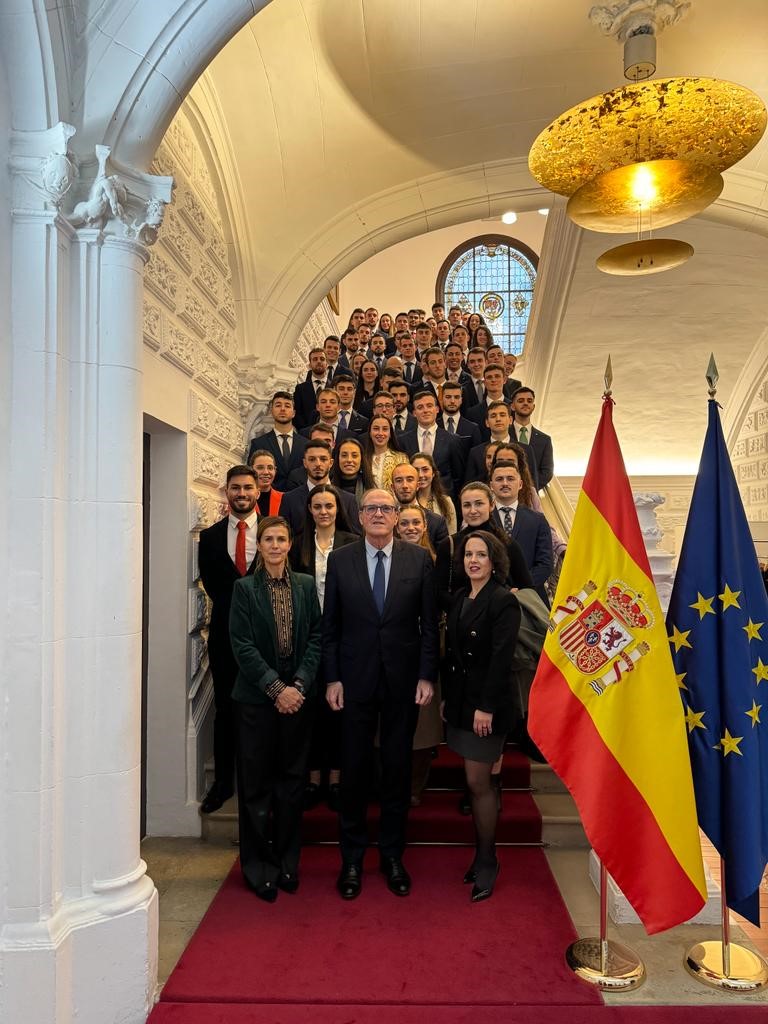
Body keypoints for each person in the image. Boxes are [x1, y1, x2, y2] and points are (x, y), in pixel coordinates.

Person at [323, 490, 439, 900]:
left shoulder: (418, 559)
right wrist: (332, 678)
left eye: (385, 509)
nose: (377, 514)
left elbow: (429, 623)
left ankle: (392, 856)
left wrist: (427, 675)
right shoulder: (340, 560)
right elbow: (331, 626)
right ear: (360, 516)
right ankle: (351, 859)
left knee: (396, 770)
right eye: (370, 508)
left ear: (396, 517)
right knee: (353, 772)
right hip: (353, 682)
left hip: (402, 683)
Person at [228, 516, 321, 901]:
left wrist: (297, 685)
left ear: (289, 545)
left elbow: (317, 636)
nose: (276, 545)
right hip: (256, 701)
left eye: (282, 539)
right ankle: (258, 866)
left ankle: (286, 863)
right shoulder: (244, 589)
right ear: (260, 545)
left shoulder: (304, 584)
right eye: (269, 539)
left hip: (297, 700)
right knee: (256, 786)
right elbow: (242, 645)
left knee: (291, 783)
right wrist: (275, 688)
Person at [443, 529, 521, 902]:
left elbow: (500, 660)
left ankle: (488, 859)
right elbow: (454, 657)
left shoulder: (504, 601)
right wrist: (449, 700)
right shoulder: (460, 596)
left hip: (486, 708)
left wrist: (485, 707)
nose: (473, 560)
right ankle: (481, 856)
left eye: (481, 554)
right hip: (462, 704)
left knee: (479, 784)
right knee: (474, 783)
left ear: (494, 561)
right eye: (468, 554)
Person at [289, 486, 358, 812]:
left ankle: (337, 779)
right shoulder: (298, 541)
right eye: (317, 506)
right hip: (307, 636)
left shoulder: (352, 541)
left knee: (339, 711)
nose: (324, 511)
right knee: (312, 711)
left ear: (338, 508)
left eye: (329, 505)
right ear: (309, 509)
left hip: (345, 636)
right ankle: (314, 779)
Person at [198, 465, 260, 814]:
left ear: (257, 492)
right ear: (226, 492)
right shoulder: (208, 538)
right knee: (225, 709)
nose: (241, 493)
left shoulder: (272, 533)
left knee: (261, 710)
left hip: (265, 639)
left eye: (248, 488)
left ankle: (258, 780)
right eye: (235, 488)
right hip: (223, 637)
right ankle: (223, 783)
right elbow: (212, 586)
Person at [396, 503, 442, 806]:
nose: (410, 528)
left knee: (424, 724)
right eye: (405, 523)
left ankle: (414, 786)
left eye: (416, 523)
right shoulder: (388, 559)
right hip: (394, 652)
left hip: (429, 645)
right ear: (396, 527)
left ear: (425, 526)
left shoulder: (439, 560)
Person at [489, 461, 552, 603]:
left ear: (521, 484)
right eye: (499, 479)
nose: (505, 483)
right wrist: (503, 589)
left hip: (532, 598)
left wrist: (522, 587)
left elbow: (545, 563)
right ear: (491, 486)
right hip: (493, 598)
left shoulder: (538, 520)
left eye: (510, 479)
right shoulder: (483, 521)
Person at [278, 440, 361, 537]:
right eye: (312, 459)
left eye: (323, 459)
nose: (318, 464)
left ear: (331, 463)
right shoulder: (289, 499)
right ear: (305, 463)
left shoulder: (348, 500)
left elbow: (355, 539)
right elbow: (284, 536)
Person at [401, 390, 465, 499]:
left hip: (444, 499)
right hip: (413, 500)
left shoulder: (453, 440)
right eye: (420, 407)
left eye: (429, 406)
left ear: (437, 409)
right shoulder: (403, 440)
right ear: (414, 413)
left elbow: (458, 477)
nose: (425, 410)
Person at [247, 391, 309, 491]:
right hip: (268, 498)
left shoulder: (306, 444)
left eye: (287, 406)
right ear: (272, 411)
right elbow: (251, 475)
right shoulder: (258, 443)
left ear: (293, 413)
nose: (283, 409)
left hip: (299, 499)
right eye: (278, 405)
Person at [391, 462, 448, 549]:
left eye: (410, 480)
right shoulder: (387, 520)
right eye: (399, 480)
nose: (404, 485)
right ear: (392, 487)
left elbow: (442, 560)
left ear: (418, 485)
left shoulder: (437, 522)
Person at [510, 386, 554, 490]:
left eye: (529, 401)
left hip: (531, 493)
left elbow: (547, 471)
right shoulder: (503, 434)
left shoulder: (545, 440)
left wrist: (528, 486)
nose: (525, 403)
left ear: (533, 407)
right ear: (512, 406)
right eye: (521, 401)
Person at [411, 452, 458, 535]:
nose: (421, 475)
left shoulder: (446, 502)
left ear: (433, 473)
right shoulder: (406, 502)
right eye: (416, 470)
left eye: (425, 469)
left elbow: (452, 536)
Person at [363, 414, 408, 492]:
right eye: (376, 429)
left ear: (390, 433)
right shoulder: (362, 459)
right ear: (370, 433)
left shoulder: (401, 458)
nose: (380, 433)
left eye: (385, 429)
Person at [330, 436, 374, 505]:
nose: (349, 460)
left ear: (361, 460)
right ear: (338, 459)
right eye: (344, 455)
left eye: (354, 456)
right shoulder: (328, 486)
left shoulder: (372, 489)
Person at [293, 347, 329, 429]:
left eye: (322, 359)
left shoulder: (334, 386)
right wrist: (306, 431)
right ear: (309, 365)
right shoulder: (300, 389)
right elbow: (297, 414)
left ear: (327, 364)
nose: (319, 361)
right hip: (306, 434)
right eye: (315, 359)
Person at [249, 449, 283, 516]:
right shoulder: (242, 498)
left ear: (275, 471)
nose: (266, 472)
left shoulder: (285, 499)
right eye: (260, 468)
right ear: (251, 470)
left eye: (270, 468)